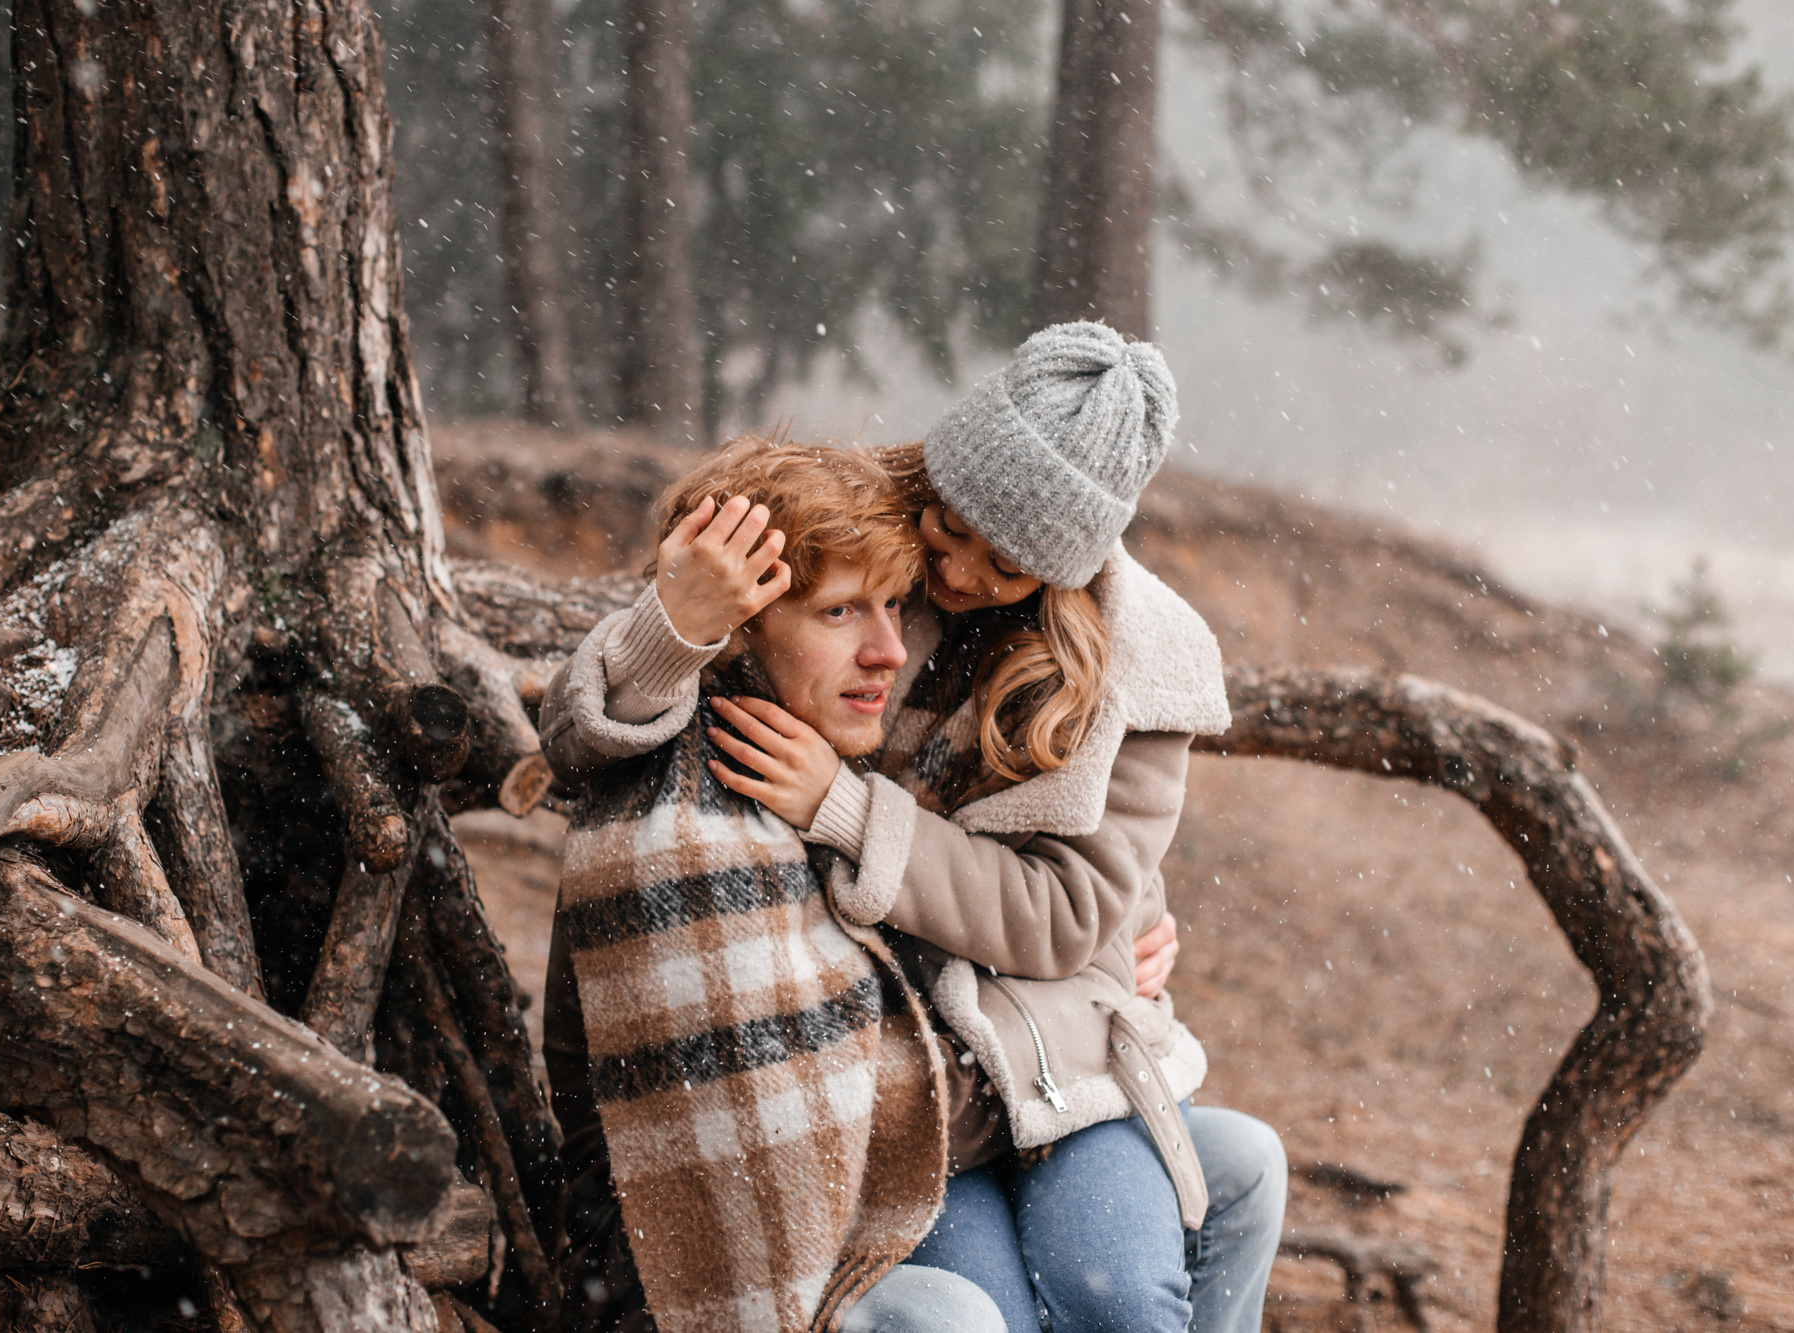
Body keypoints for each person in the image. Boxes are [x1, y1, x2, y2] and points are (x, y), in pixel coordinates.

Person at [546, 324, 1285, 1333]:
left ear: (1069, 566)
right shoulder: (856, 531)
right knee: (982, 1310)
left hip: (1051, 1028)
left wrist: (846, 810)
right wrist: (675, 621)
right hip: (908, 1050)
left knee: (1110, 1296)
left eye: (1009, 560)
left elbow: (1072, 912)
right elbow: (601, 731)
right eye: (954, 527)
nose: (963, 573)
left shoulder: (1138, 670)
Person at [541, 439, 1004, 1333]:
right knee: (952, 1319)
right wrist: (1061, 1068)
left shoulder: (822, 771)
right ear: (737, 624)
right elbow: (861, 1109)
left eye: (894, 606)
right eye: (839, 613)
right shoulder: (684, 821)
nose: (887, 650)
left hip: (798, 1220)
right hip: (659, 1263)